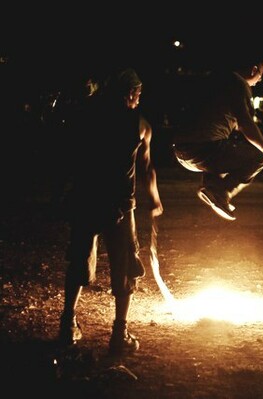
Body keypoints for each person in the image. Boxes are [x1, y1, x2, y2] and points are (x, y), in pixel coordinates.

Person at [58, 68, 163, 355]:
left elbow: (69, 155)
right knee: (125, 268)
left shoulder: (87, 116)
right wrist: (154, 199)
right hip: (119, 205)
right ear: (130, 93)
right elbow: (146, 168)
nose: (139, 100)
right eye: (138, 95)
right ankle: (119, 333)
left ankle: (67, 324)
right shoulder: (139, 125)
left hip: (85, 200)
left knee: (78, 259)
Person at [172, 59, 263, 220]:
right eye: (262, 70)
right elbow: (246, 124)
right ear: (253, 69)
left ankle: (212, 187)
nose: (261, 78)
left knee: (230, 153)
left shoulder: (217, 79)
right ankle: (222, 192)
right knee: (257, 158)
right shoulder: (239, 84)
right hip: (204, 148)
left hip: (181, 150)